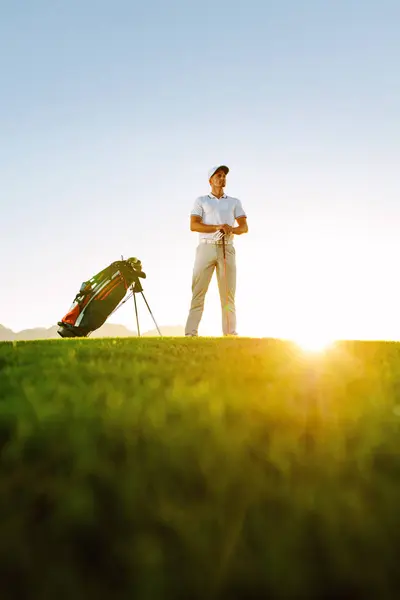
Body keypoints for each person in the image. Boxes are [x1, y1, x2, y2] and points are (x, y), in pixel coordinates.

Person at [185, 164, 248, 337]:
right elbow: (194, 225)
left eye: (224, 176)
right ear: (210, 180)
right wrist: (217, 227)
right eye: (218, 175)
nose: (222, 178)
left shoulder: (234, 202)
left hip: (226, 249)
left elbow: (244, 227)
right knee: (198, 291)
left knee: (228, 294)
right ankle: (190, 333)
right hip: (205, 248)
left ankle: (230, 333)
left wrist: (231, 229)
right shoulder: (201, 201)